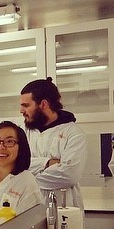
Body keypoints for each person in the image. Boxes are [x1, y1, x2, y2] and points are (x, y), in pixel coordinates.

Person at [19, 77, 86, 208]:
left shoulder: (73, 133)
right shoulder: (22, 131)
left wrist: (26, 177)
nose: (21, 111)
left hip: (65, 205)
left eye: (26, 105)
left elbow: (70, 175)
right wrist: (47, 163)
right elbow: (15, 164)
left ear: (43, 104)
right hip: (28, 205)